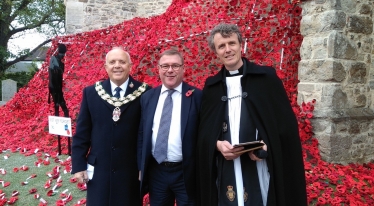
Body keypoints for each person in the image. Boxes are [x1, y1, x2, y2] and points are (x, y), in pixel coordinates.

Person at [196, 23, 307, 206]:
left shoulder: (266, 79)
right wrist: (216, 145)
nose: (228, 50)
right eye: (221, 46)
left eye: (231, 43)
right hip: (226, 167)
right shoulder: (212, 87)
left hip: (258, 166)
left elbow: (285, 126)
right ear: (216, 52)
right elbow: (203, 132)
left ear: (241, 44)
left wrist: (266, 145)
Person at [71, 47, 150, 205]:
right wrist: (78, 165)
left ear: (130, 65)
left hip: (130, 172)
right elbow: (82, 133)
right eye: (112, 62)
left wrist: (144, 166)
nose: (117, 65)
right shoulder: (91, 93)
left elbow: (147, 135)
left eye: (122, 62)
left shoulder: (145, 93)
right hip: (99, 171)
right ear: (106, 67)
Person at [138, 49, 202, 206]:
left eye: (175, 65)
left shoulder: (197, 97)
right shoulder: (148, 97)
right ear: (158, 69)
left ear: (183, 68)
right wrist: (141, 166)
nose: (170, 70)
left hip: (186, 173)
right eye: (165, 66)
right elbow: (142, 134)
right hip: (157, 172)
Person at [48, 43, 69, 117]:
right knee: (57, 103)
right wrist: (51, 84)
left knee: (59, 102)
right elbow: (51, 72)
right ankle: (62, 116)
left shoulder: (61, 63)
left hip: (57, 85)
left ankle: (65, 116)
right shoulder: (54, 59)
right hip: (54, 85)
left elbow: (59, 73)